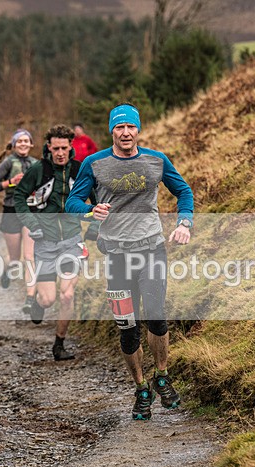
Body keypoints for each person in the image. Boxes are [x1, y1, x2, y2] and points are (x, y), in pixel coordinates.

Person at [65, 103, 193, 420]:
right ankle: (141, 388)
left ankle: (162, 375)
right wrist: (89, 211)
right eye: (119, 128)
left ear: (138, 130)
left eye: (130, 127)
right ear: (112, 131)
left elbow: (184, 191)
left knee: (157, 316)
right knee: (127, 328)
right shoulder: (94, 164)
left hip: (151, 250)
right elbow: (71, 202)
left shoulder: (156, 160)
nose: (125, 133)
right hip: (117, 256)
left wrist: (184, 223)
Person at [13, 124, 97, 361]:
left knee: (67, 295)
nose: (60, 153)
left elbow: (98, 199)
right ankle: (38, 302)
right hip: (45, 243)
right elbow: (19, 196)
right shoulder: (38, 170)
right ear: (48, 147)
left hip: (72, 240)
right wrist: (32, 223)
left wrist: (94, 227)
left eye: (64, 148)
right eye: (56, 148)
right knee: (49, 299)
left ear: (71, 146)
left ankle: (59, 344)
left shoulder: (80, 170)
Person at [0, 129, 38, 312]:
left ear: (31, 144)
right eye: (20, 141)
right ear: (14, 144)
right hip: (11, 211)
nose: (23, 144)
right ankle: (7, 272)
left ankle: (30, 298)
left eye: (27, 141)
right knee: (16, 259)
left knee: (30, 257)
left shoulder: (36, 164)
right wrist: (10, 182)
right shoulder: (8, 163)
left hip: (31, 211)